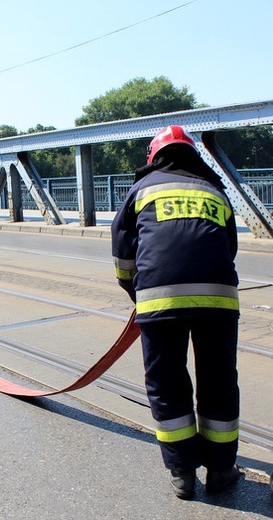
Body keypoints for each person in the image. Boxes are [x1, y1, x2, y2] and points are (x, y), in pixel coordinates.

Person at [111, 125, 241, 500]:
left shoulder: (142, 189)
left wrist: (138, 290)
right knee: (219, 382)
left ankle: (182, 473)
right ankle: (220, 469)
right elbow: (227, 248)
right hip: (218, 300)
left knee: (167, 385)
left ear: (154, 158)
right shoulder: (214, 189)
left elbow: (123, 255)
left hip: (159, 300)